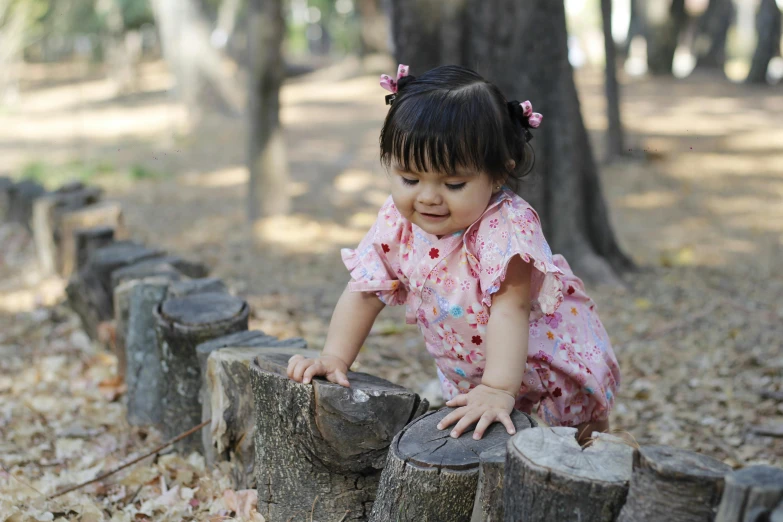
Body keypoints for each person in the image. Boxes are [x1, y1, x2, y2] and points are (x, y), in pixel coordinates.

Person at [287, 64, 621, 444]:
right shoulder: (398, 221)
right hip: (470, 370)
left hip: (539, 365)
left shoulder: (504, 228)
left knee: (576, 447)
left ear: (497, 174)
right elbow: (365, 290)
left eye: (454, 183)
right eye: (410, 179)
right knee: (480, 448)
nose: (428, 196)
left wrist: (498, 387)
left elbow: (509, 308)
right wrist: (334, 357)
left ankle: (601, 453)